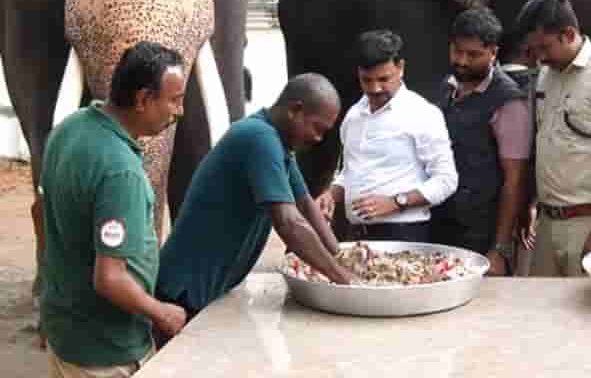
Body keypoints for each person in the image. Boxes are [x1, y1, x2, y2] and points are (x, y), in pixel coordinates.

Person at [153, 74, 354, 346]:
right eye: (317, 128)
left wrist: (341, 257)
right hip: (184, 292)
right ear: (295, 110)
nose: (318, 138)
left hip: (209, 289)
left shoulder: (279, 143)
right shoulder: (259, 138)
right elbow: (290, 223)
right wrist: (346, 283)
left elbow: (305, 203)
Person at [40, 42, 189, 376]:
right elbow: (109, 279)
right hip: (106, 352)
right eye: (175, 100)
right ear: (143, 100)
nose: (179, 111)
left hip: (64, 332)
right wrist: (162, 313)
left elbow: (41, 212)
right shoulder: (121, 171)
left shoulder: (69, 128)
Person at [515, 0, 591, 277]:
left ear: (569, 34)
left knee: (590, 317)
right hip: (546, 224)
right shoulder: (547, 73)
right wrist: (528, 205)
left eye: (544, 48)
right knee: (544, 315)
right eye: (534, 50)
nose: (539, 58)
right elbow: (545, 143)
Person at [316, 30, 457, 243]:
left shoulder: (423, 113)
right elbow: (350, 171)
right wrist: (330, 194)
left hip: (405, 234)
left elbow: (447, 180)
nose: (375, 88)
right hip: (356, 235)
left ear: (400, 67)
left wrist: (396, 202)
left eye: (383, 79)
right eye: (366, 80)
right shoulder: (354, 115)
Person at [430, 9, 531, 277]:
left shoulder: (509, 101)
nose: (462, 61)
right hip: (440, 224)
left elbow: (514, 180)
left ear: (493, 53)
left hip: (481, 234)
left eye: (473, 55)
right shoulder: (446, 88)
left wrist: (499, 250)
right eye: (457, 51)